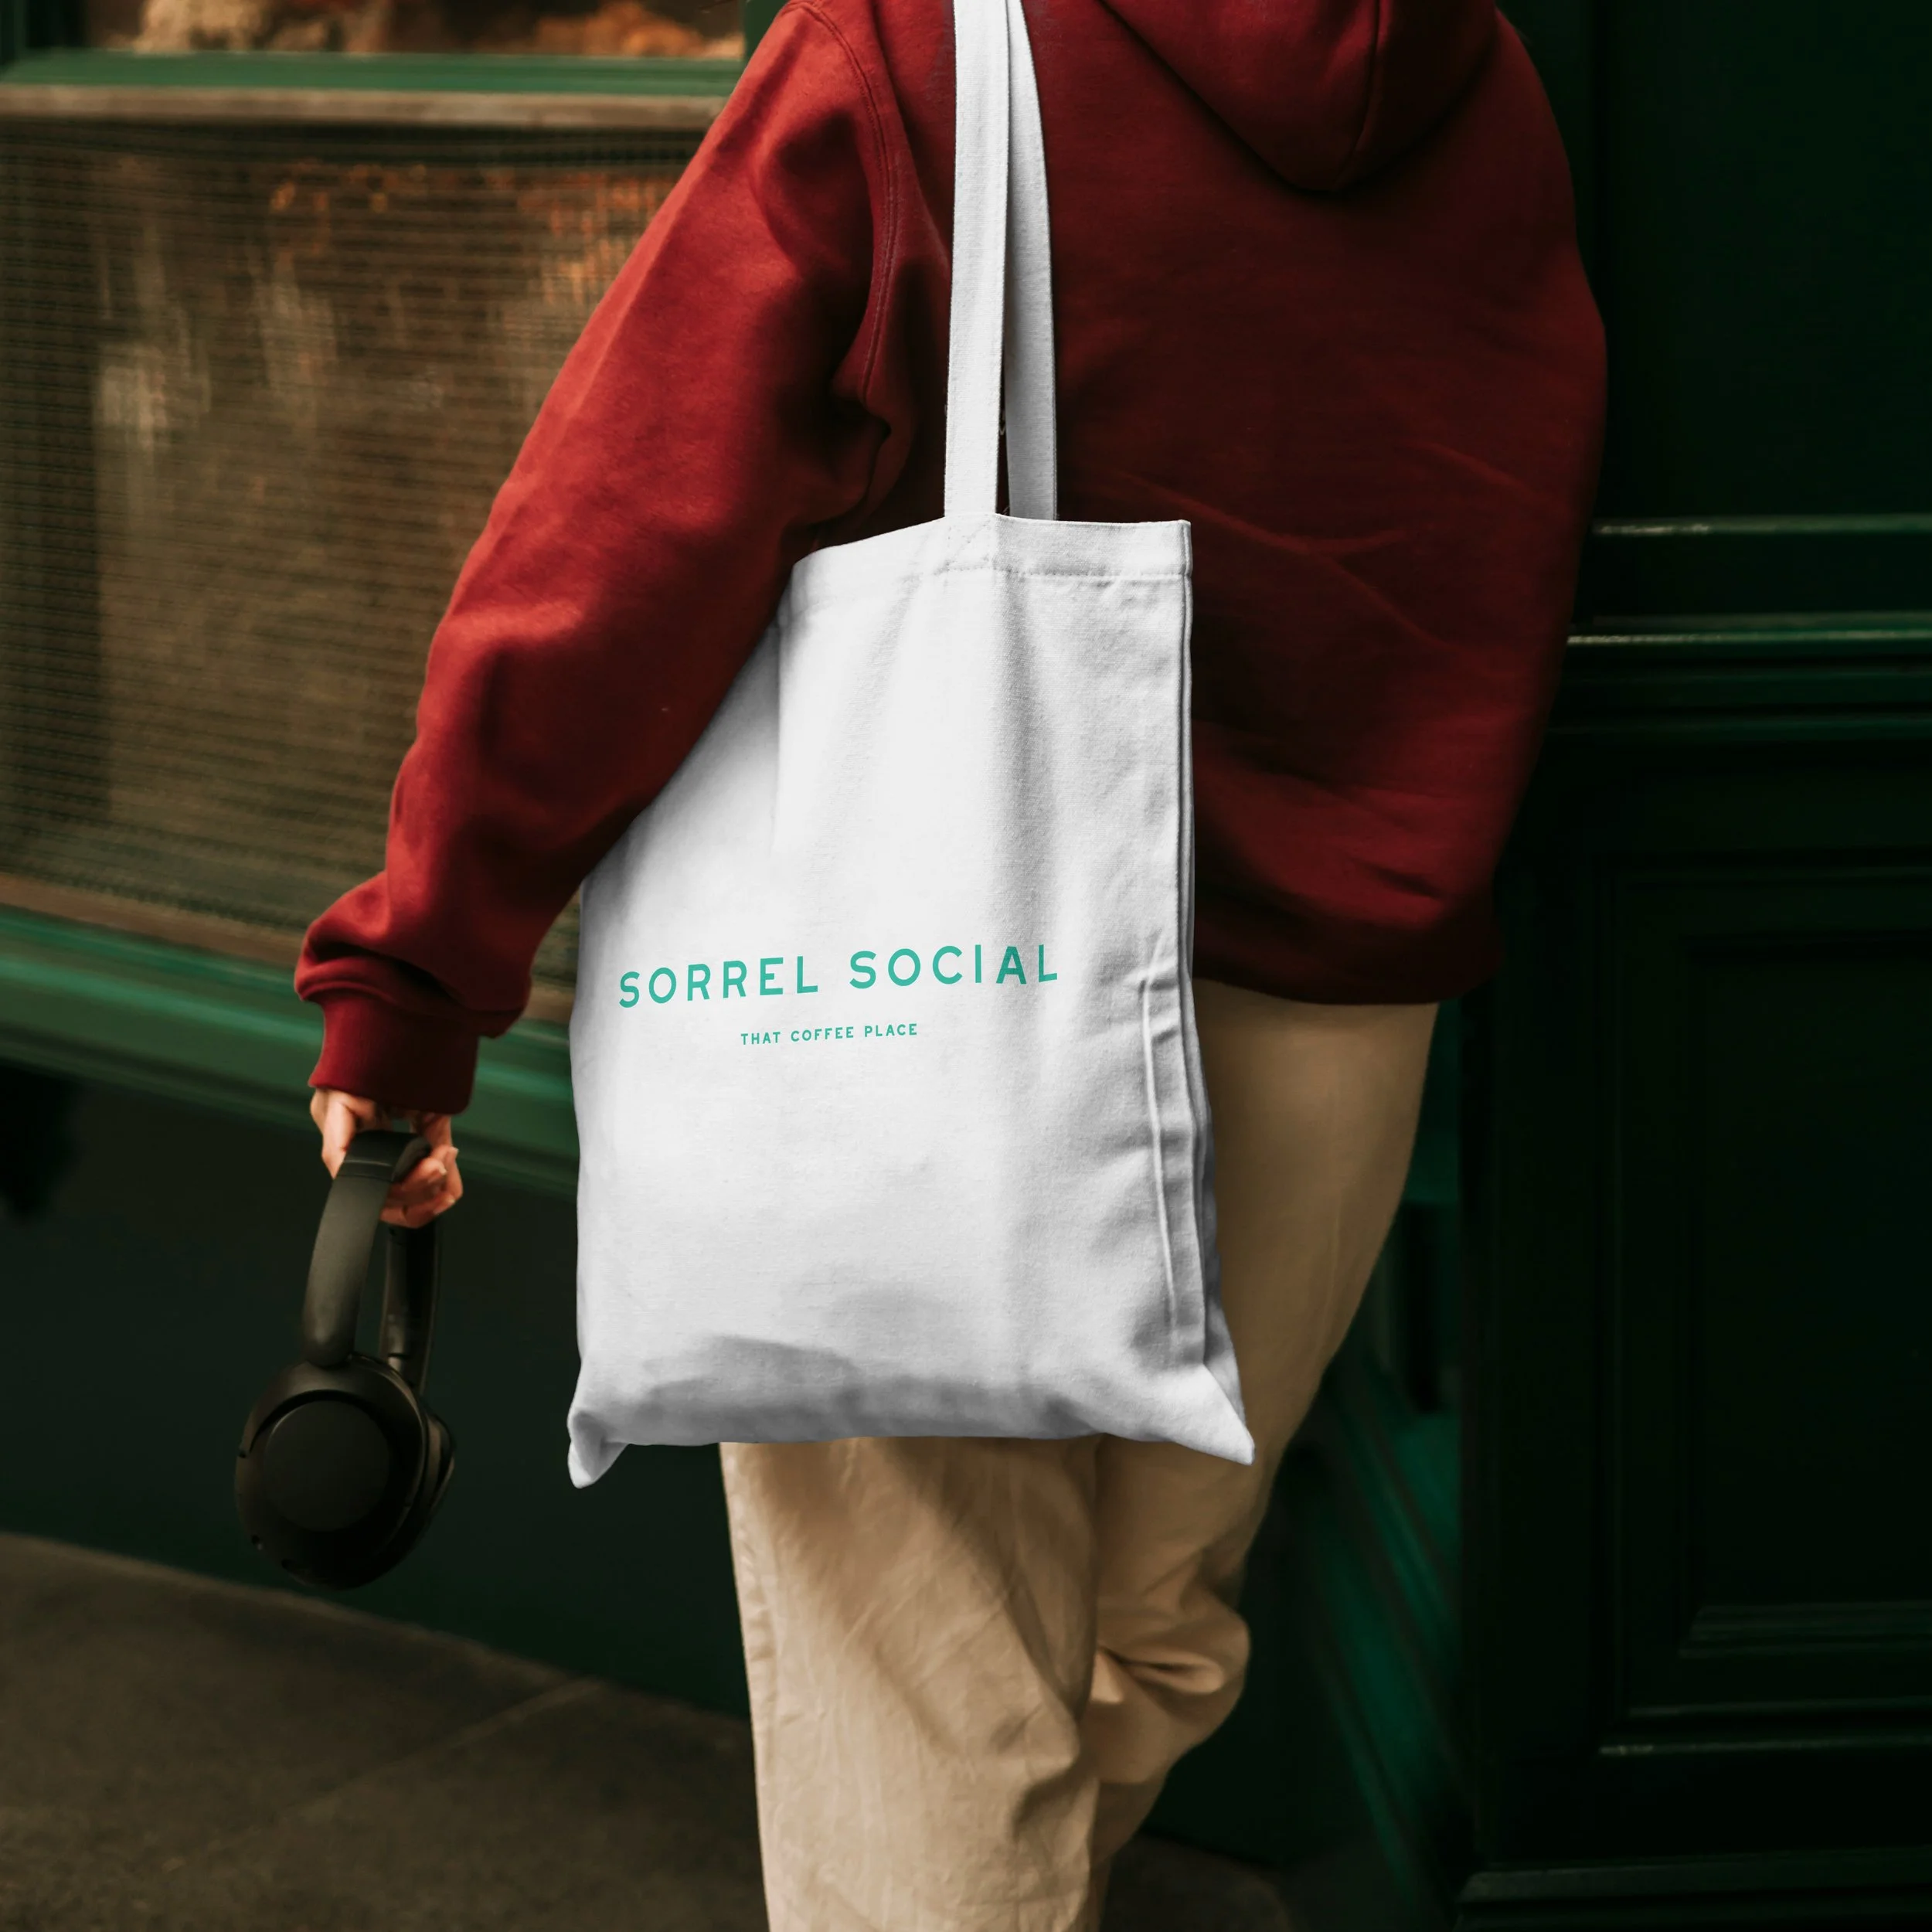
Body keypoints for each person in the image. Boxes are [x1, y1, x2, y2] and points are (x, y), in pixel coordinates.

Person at [298, 0, 1604, 1922]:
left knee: (935, 1718)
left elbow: (626, 532)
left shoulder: (914, 42)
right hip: (1327, 1011)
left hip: (936, 986)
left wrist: (418, 970)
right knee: (1142, 1635)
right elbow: (1484, 515)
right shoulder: (1470, 74)